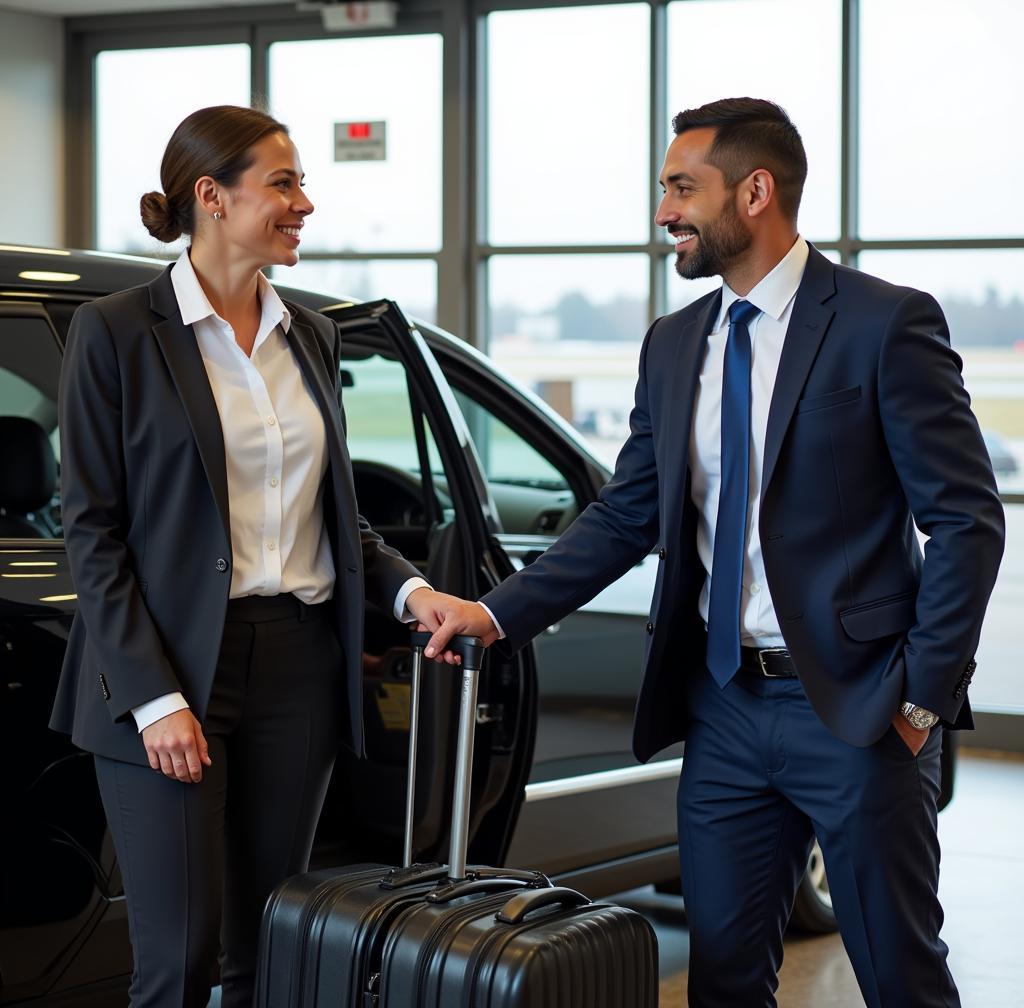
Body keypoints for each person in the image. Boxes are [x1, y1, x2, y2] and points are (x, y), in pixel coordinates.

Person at [424, 97, 1005, 1007]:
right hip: (725, 709)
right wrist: (496, 611)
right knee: (725, 980)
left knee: (900, 974)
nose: (665, 213)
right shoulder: (673, 343)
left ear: (757, 191)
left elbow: (967, 519)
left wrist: (923, 702)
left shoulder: (883, 324)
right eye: (666, 190)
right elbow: (627, 516)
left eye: (682, 187)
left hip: (857, 710)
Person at [50, 104, 452, 1008]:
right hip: (166, 670)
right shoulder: (116, 331)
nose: (304, 202)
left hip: (298, 665)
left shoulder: (310, 334)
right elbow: (94, 534)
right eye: (284, 182)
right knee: (179, 957)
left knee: (273, 947)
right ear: (212, 196)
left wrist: (411, 591)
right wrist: (157, 702)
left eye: (301, 182)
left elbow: (333, 518)